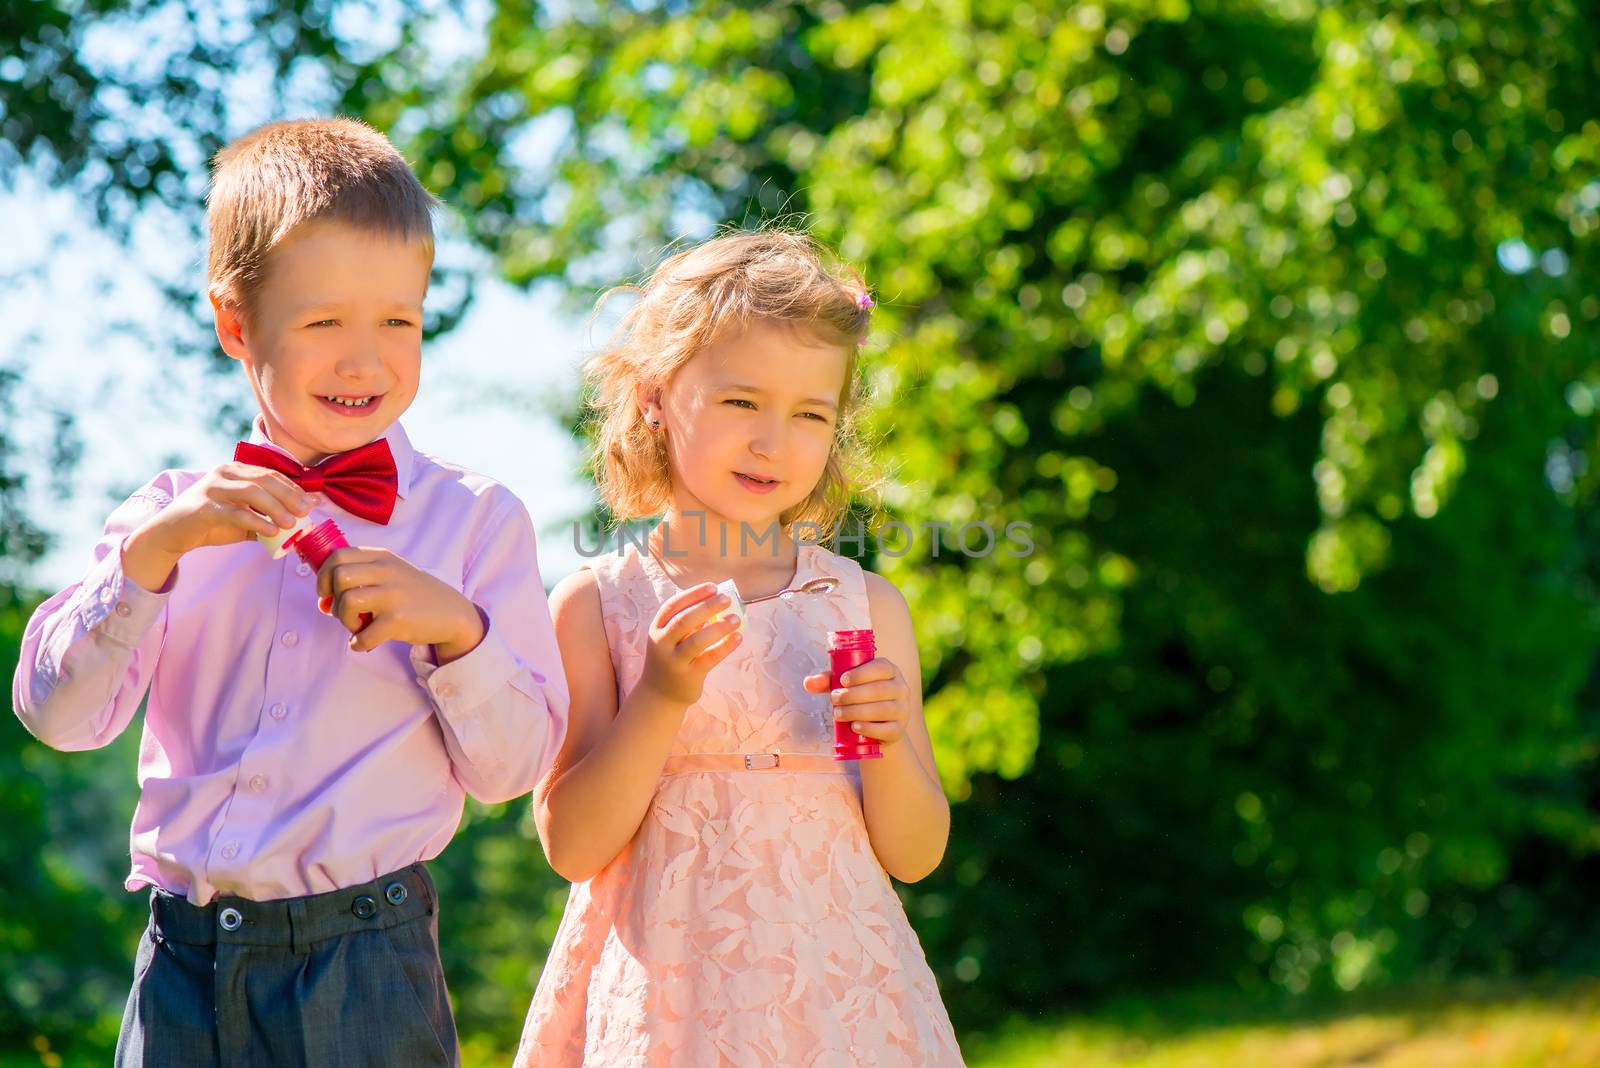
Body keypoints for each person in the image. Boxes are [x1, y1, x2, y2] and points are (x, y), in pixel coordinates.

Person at [12, 117, 568, 1067]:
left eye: (399, 319)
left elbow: (513, 769)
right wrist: (151, 559)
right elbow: (59, 718)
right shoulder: (165, 518)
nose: (366, 360)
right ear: (236, 324)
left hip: (368, 959)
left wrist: (458, 632)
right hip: (182, 956)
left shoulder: (475, 522)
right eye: (323, 323)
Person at [517, 230, 964, 1066]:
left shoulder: (861, 605)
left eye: (809, 415)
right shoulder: (598, 604)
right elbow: (572, 845)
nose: (774, 441)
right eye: (739, 402)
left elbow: (915, 853)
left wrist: (893, 737)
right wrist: (659, 697)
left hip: (840, 996)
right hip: (670, 1006)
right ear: (655, 395)